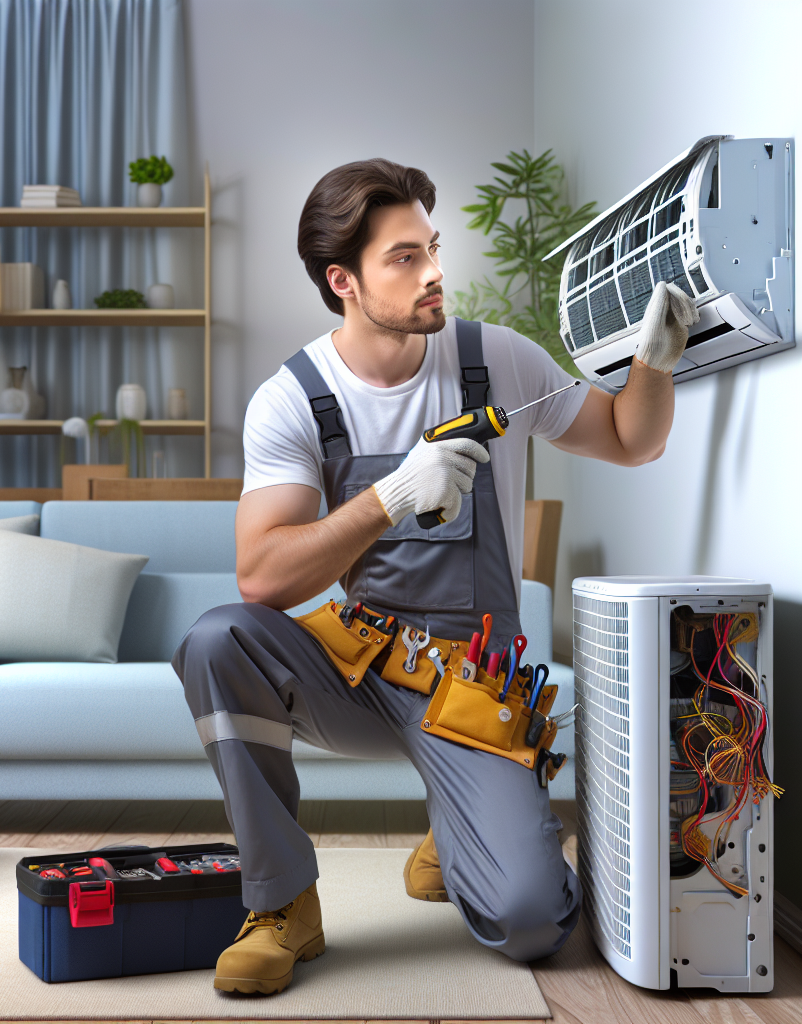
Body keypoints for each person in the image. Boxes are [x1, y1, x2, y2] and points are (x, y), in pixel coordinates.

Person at [172, 158, 698, 995]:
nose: (436, 273)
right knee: (216, 640)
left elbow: (631, 439)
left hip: (475, 689)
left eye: (434, 248)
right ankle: (284, 906)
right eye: (405, 258)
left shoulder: (497, 360)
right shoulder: (296, 398)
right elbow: (261, 578)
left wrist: (657, 362)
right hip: (359, 673)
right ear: (343, 280)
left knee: (533, 923)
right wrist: (386, 498)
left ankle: (453, 833)